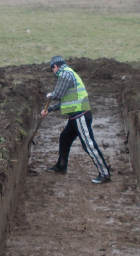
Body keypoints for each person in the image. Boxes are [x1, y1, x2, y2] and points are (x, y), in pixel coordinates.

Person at [41, 56, 111, 184]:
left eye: (53, 69)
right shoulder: (69, 74)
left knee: (88, 145)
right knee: (64, 137)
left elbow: (58, 94)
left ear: (55, 67)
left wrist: (50, 95)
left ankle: (105, 173)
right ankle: (61, 166)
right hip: (75, 116)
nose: (53, 72)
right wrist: (49, 110)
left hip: (80, 116)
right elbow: (66, 100)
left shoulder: (65, 74)